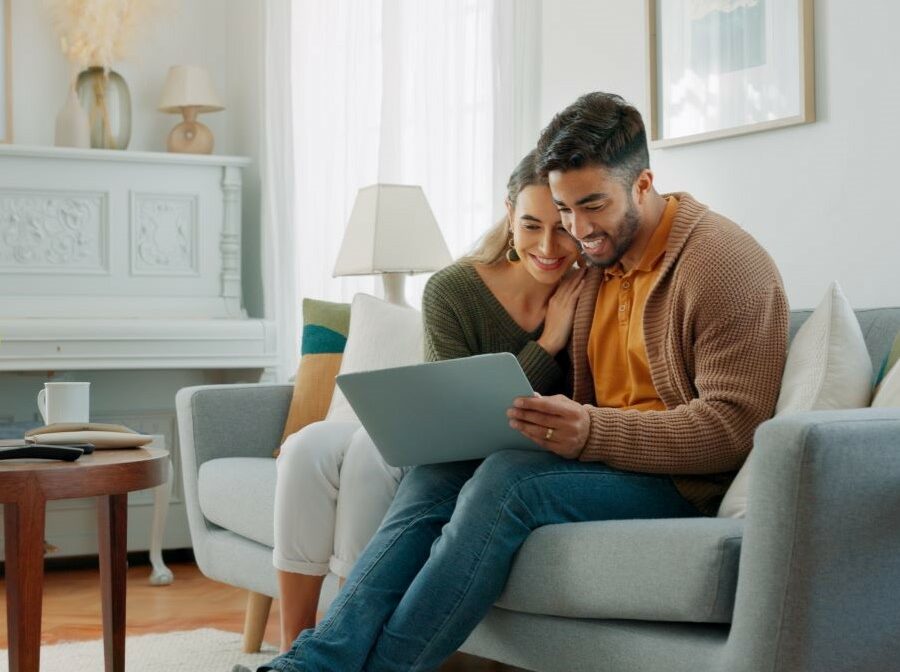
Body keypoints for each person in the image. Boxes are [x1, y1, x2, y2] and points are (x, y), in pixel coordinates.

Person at [243, 91, 788, 672]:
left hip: (682, 480)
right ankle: (312, 663)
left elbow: (734, 429)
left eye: (592, 206)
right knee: (440, 470)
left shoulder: (722, 264)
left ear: (644, 183)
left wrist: (591, 432)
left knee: (508, 480)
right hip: (604, 459)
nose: (577, 231)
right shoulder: (598, 263)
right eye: (563, 209)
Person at [269, 148, 584, 653]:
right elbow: (455, 417)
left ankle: (342, 648)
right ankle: (295, 647)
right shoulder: (454, 288)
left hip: (497, 454)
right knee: (307, 448)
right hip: (442, 437)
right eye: (530, 225)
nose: (548, 245)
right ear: (509, 216)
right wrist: (546, 345)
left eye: (562, 227)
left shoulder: (588, 293)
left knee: (372, 457)